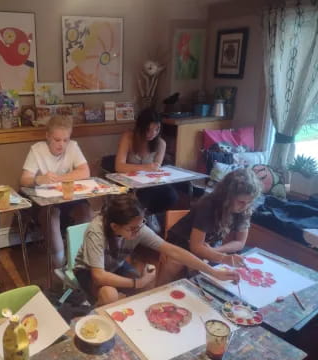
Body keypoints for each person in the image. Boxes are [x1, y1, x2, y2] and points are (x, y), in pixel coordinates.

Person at [73, 194, 239, 305]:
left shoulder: (136, 227)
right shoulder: (96, 231)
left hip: (115, 266)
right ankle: (98, 315)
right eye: (132, 229)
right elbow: (99, 276)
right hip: (87, 271)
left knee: (149, 281)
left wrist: (213, 271)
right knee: (110, 294)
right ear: (115, 226)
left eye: (141, 225)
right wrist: (135, 282)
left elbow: (174, 251)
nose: (138, 231)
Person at [162, 168, 262, 284]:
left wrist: (216, 250)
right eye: (241, 202)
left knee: (214, 275)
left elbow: (240, 243)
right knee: (185, 268)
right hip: (181, 241)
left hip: (208, 244)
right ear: (227, 197)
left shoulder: (244, 208)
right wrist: (221, 257)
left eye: (250, 202)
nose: (245, 206)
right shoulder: (207, 205)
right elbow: (196, 247)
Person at [20, 115, 93, 268]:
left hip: (67, 198)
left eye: (65, 140)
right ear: (47, 136)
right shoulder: (37, 150)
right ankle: (60, 263)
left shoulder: (73, 146)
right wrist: (39, 179)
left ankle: (78, 258)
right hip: (45, 203)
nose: (62, 145)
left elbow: (85, 171)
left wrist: (59, 178)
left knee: (85, 210)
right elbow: (24, 179)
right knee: (52, 215)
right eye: (57, 140)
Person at [114, 107, 178, 231]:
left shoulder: (160, 144)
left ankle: (148, 215)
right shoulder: (128, 137)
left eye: (156, 129)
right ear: (140, 127)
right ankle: (139, 222)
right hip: (130, 183)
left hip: (150, 183)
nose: (152, 134)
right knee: (142, 198)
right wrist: (146, 167)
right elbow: (119, 166)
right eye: (148, 129)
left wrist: (150, 169)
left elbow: (156, 169)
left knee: (172, 195)